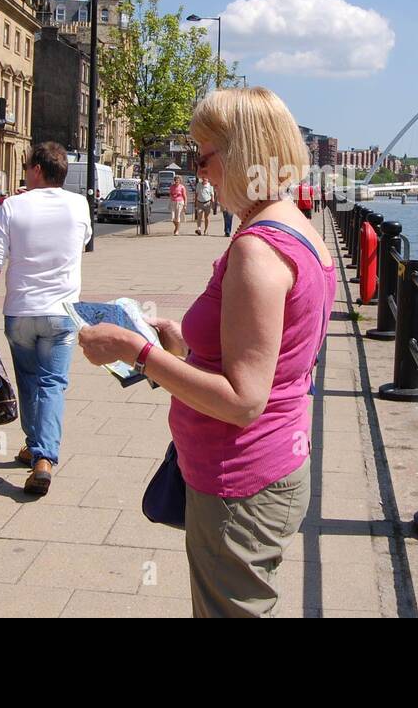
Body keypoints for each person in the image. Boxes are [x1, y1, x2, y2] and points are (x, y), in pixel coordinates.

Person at [77, 87, 337, 617]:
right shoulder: (301, 233)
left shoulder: (257, 250)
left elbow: (243, 400)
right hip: (273, 460)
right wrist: (180, 346)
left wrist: (135, 350)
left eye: (204, 154)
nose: (198, 170)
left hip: (239, 476)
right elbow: (275, 354)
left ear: (243, 153)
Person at [0, 142, 92, 495]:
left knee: (29, 381)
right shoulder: (79, 204)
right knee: (52, 383)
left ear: (39, 171)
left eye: (27, 166)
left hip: (22, 310)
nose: (25, 171)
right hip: (62, 313)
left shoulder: (12, 205)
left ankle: (36, 449)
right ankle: (42, 454)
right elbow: (85, 239)